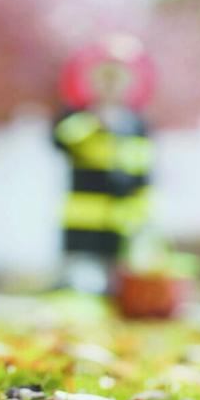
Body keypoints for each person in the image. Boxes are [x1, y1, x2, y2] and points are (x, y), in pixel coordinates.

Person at [53, 34, 157, 295]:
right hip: (83, 221)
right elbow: (60, 141)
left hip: (120, 223)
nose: (111, 85)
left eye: (118, 77)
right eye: (104, 77)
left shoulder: (136, 124)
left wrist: (142, 221)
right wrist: (93, 121)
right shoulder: (77, 117)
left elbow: (141, 175)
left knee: (117, 287)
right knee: (77, 282)